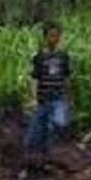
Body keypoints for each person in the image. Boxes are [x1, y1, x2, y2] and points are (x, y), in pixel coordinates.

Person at [24, 21, 72, 162]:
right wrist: (33, 98)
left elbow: (67, 78)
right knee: (35, 131)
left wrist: (69, 98)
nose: (54, 39)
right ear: (45, 37)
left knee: (59, 122)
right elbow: (35, 79)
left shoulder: (63, 56)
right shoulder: (39, 57)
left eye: (57, 36)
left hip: (58, 97)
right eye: (51, 36)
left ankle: (46, 151)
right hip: (43, 98)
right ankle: (41, 154)